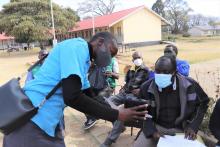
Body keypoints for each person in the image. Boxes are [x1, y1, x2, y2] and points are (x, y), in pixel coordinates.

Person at [3, 32, 148, 147]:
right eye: (110, 53)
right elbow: (72, 97)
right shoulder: (77, 47)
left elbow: (90, 95)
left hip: (44, 120)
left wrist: (119, 115)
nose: (109, 58)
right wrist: (117, 114)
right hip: (33, 120)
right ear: (100, 42)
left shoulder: (83, 61)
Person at [133, 56, 209, 147]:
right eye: (157, 71)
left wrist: (193, 126)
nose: (161, 75)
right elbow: (142, 112)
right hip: (156, 127)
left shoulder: (190, 85)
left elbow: (203, 102)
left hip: (182, 129)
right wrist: (151, 131)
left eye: (165, 72)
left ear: (175, 72)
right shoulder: (146, 87)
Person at [101, 51, 151, 147]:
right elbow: (127, 83)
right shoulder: (130, 70)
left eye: (139, 57)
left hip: (135, 96)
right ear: (132, 60)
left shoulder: (146, 70)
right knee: (107, 102)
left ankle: (110, 140)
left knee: (122, 112)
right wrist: (123, 88)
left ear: (142, 58)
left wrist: (141, 90)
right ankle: (119, 125)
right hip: (124, 93)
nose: (137, 60)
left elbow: (149, 86)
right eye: (135, 58)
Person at [84, 57, 119, 130]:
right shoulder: (93, 60)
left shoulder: (112, 61)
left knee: (101, 102)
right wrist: (91, 66)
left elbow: (117, 76)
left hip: (107, 87)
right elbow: (86, 72)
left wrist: (111, 73)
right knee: (84, 99)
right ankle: (91, 118)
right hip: (93, 86)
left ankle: (117, 124)